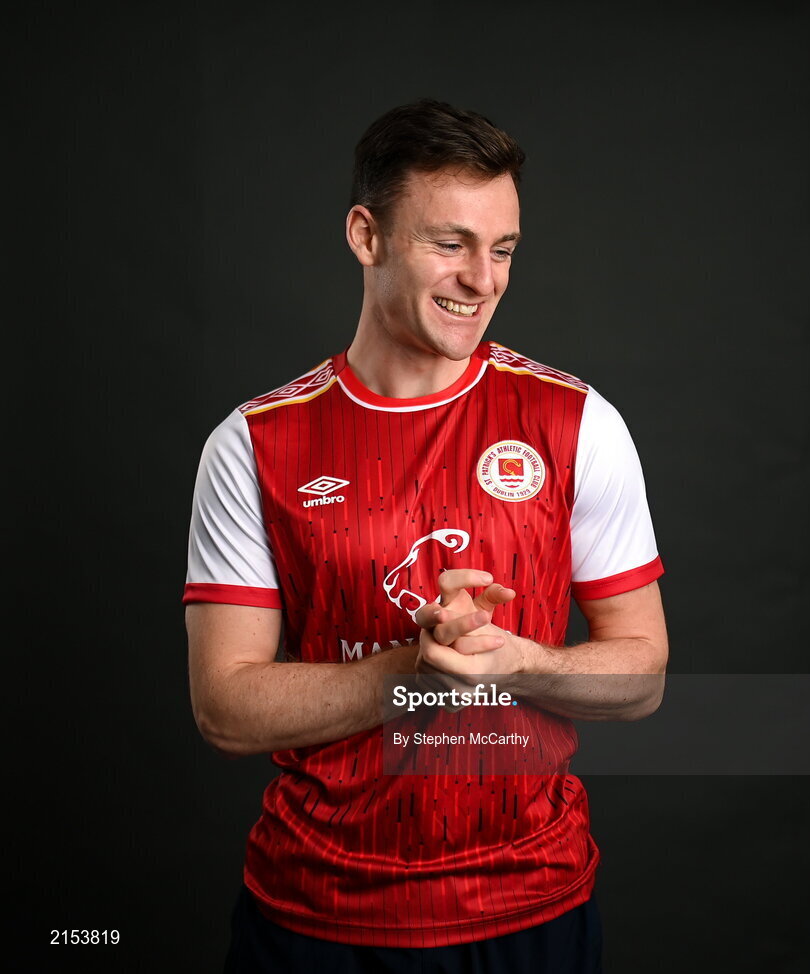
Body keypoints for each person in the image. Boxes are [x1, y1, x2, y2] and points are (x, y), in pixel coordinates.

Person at [184, 98, 667, 973]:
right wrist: (409, 672)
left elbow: (641, 675)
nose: (483, 279)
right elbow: (224, 707)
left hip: (531, 908)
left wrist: (520, 660)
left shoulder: (576, 422)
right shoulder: (255, 443)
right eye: (450, 243)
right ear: (366, 236)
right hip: (313, 916)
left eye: (504, 249)